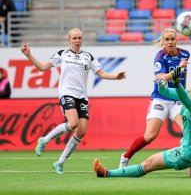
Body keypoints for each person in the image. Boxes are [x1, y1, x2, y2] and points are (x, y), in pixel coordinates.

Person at [93, 70, 191, 178]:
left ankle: (107, 173)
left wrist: (177, 83)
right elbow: (165, 92)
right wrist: (162, 83)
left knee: (148, 163)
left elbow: (185, 98)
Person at [20, 27, 126, 174]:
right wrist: (29, 55)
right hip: (66, 93)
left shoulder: (88, 56)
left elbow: (100, 73)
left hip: (82, 97)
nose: (77, 41)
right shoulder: (62, 54)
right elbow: (43, 67)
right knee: (73, 123)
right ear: (68, 40)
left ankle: (59, 163)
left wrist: (116, 76)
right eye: (74, 38)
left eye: (79, 38)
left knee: (81, 131)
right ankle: (44, 140)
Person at [118, 27, 189, 168]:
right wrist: (178, 70)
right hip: (161, 98)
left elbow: (183, 77)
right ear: (163, 41)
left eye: (172, 39)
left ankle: (189, 160)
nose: (169, 42)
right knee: (149, 136)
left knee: (187, 131)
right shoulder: (160, 57)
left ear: (177, 40)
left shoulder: (185, 54)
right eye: (167, 39)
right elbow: (160, 79)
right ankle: (126, 156)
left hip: (177, 99)